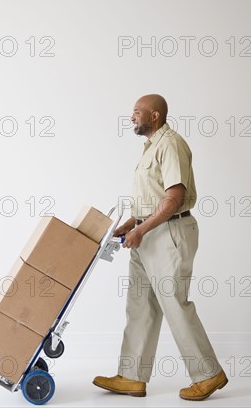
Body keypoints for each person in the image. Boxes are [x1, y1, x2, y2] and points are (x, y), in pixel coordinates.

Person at [92, 94, 228, 401]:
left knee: (174, 304)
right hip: (148, 233)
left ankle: (208, 374)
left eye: (137, 112)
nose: (132, 117)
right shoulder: (151, 147)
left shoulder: (170, 144)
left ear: (155, 116)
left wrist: (141, 228)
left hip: (170, 233)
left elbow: (174, 198)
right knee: (140, 304)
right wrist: (132, 224)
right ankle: (131, 376)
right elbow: (153, 197)